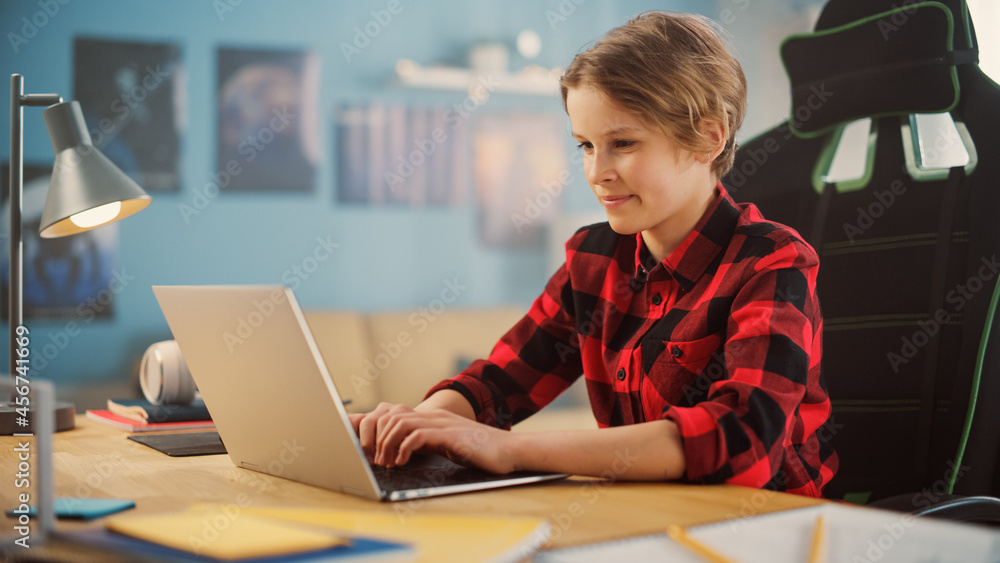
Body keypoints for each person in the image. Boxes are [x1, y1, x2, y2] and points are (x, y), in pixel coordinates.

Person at [351, 11, 838, 497]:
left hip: (771, 529)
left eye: (622, 143)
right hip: (648, 522)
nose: (596, 172)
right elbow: (501, 382)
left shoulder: (772, 262)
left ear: (708, 139)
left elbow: (742, 441)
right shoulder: (592, 259)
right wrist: (420, 425)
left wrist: (509, 448)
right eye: (585, 145)